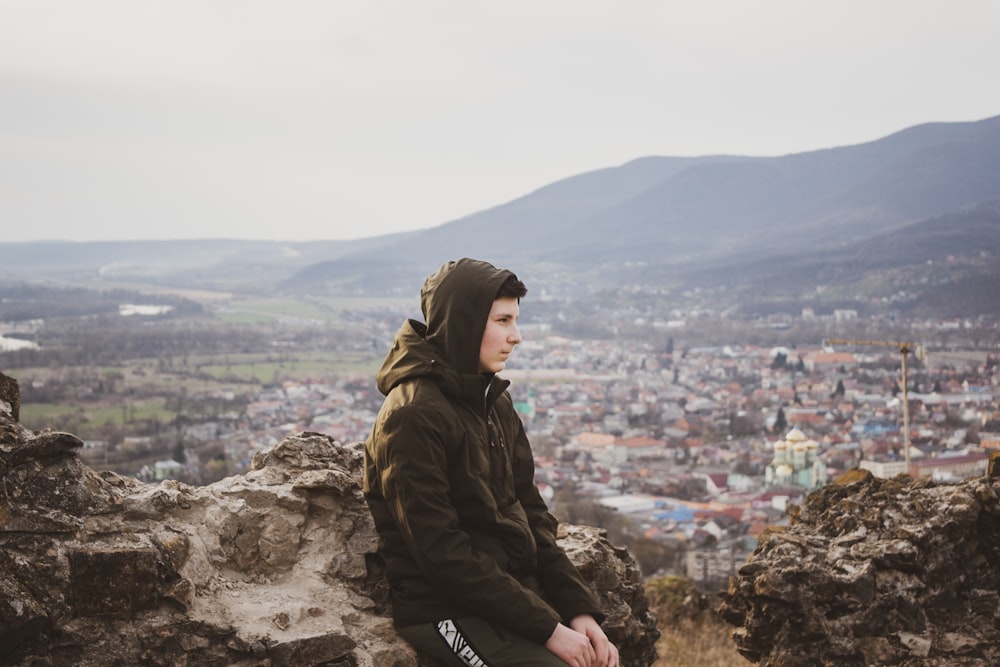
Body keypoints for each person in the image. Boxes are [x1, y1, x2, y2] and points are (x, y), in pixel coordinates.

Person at [364, 258, 620, 667]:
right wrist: (551, 631)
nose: (515, 337)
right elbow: (442, 554)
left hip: (505, 594)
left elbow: (532, 514)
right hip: (442, 610)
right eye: (502, 321)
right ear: (463, 324)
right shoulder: (412, 415)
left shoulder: (492, 401)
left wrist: (579, 610)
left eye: (515, 321)